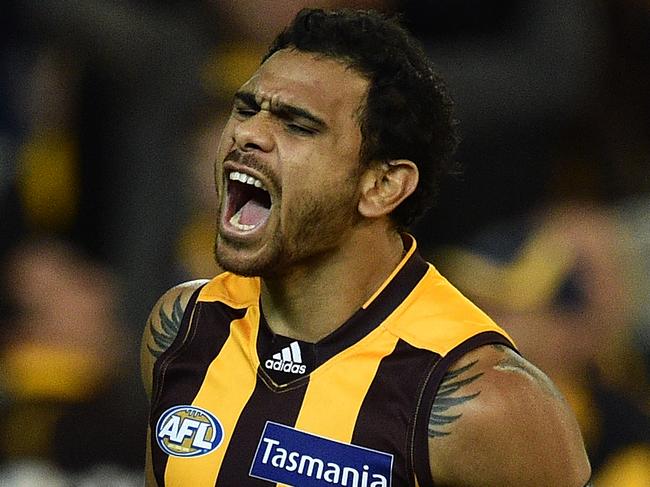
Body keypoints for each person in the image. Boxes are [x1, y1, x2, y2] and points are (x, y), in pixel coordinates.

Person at [141, 8, 591, 486]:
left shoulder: (481, 402)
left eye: (298, 125)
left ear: (382, 185)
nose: (247, 134)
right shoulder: (182, 330)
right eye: (247, 108)